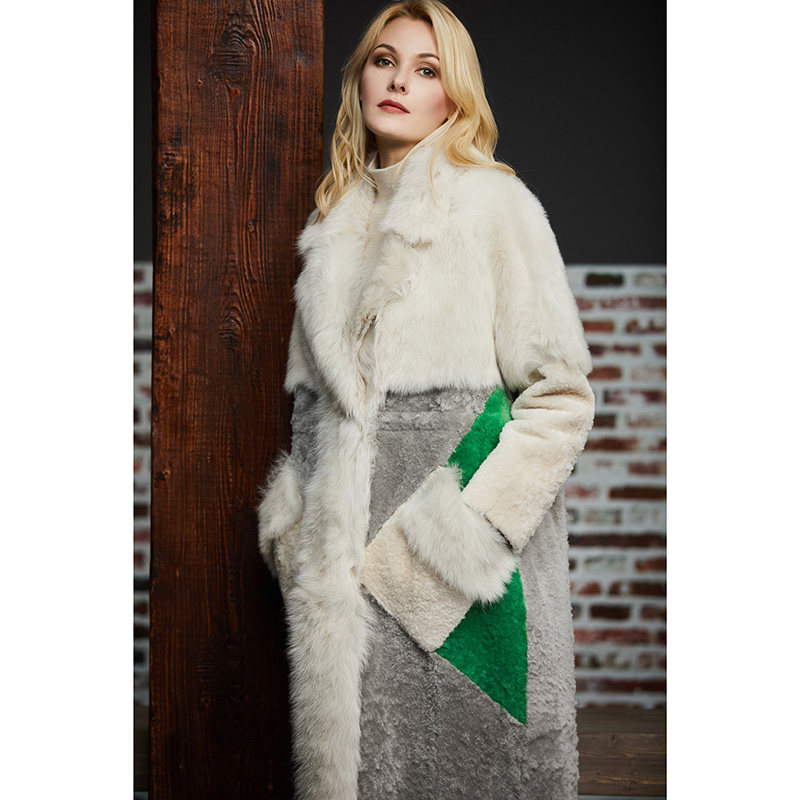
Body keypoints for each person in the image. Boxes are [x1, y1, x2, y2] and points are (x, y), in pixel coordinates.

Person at [256, 2, 595, 798]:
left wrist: (461, 540)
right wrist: (293, 532)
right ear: (360, 78)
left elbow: (561, 398)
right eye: (384, 60)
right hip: (349, 603)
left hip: (463, 593)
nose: (400, 80)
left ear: (453, 95)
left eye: (426, 68)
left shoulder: (494, 206)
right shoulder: (330, 229)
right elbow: (315, 419)